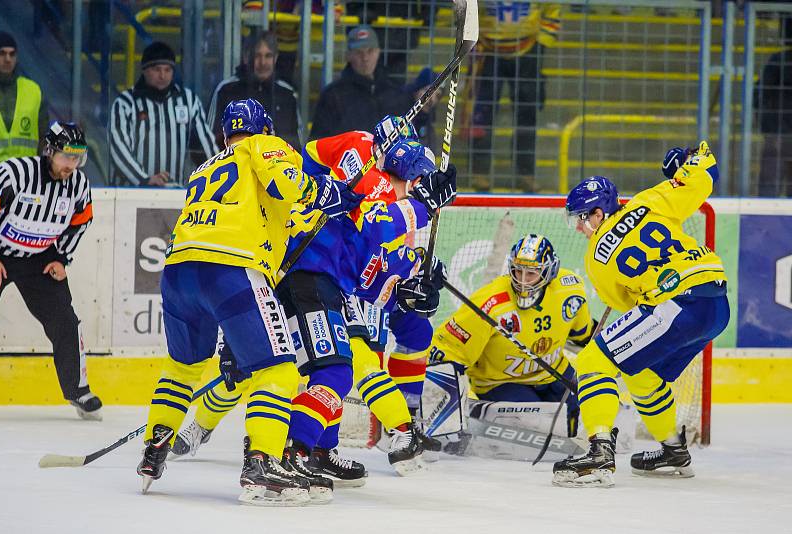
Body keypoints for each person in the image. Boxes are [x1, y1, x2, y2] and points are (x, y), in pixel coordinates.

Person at [169, 133, 457, 482]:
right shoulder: (372, 185)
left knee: (324, 370)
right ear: (412, 180)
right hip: (302, 281)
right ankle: (283, 450)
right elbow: (375, 229)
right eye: (416, 186)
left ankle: (309, 450)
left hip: (315, 284)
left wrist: (407, 289)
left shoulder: (380, 193)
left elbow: (365, 274)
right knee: (316, 371)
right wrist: (422, 208)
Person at [135, 99, 363, 506]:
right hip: (231, 270)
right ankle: (262, 462)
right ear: (264, 127)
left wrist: (319, 208)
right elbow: (286, 184)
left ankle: (155, 449)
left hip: (178, 271)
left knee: (182, 367)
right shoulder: (264, 146)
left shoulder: (205, 167)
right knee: (276, 370)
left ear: (223, 133)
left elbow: (276, 210)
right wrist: (327, 191)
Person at [553, 142, 729, 488]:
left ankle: (599, 451)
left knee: (593, 361)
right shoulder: (649, 202)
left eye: (581, 219)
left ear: (598, 214)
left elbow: (624, 303)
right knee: (640, 372)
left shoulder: (595, 259)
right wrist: (686, 162)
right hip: (715, 302)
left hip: (676, 303)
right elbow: (707, 173)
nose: (578, 228)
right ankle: (673, 451)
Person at [426, 234, 594, 436]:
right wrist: (431, 398)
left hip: (552, 372)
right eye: (517, 271)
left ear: (549, 272)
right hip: (499, 382)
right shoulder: (490, 302)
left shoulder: (570, 291)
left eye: (531, 273)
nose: (522, 281)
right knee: (538, 426)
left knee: (591, 401)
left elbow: (584, 335)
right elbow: (448, 350)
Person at [0, 122, 99, 419]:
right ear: (49, 151)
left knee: (65, 321)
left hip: (40, 260)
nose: (71, 164)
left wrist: (61, 258)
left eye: (77, 158)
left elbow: (82, 220)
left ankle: (78, 391)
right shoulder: (14, 173)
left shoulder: (78, 184)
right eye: (66, 156)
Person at [468, 2, 561, 191]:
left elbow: (552, 8)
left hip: (527, 50)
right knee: (481, 113)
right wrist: (472, 38)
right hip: (487, 50)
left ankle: (525, 174)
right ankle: (480, 173)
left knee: (527, 114)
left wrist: (541, 43)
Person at [109, 41, 217, 187]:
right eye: (157, 69)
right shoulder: (125, 103)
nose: (162, 75)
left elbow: (206, 145)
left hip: (173, 195)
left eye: (168, 70)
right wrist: (144, 179)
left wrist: (221, 173)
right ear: (145, 70)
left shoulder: (188, 101)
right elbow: (118, 149)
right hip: (130, 194)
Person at [309, 25, 411, 139]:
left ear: (378, 52)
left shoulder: (395, 92)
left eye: (370, 51)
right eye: (359, 52)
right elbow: (319, 145)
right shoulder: (333, 96)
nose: (365, 58)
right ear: (348, 56)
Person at [208, 30, 302, 151]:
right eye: (257, 56)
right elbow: (210, 141)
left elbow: (297, 144)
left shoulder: (288, 94)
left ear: (276, 57)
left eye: (268, 56)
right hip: (235, 167)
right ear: (246, 57)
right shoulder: (226, 90)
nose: (263, 62)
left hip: (277, 168)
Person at [0, 31, 49, 166]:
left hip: (26, 180)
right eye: (1, 53)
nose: (8, 59)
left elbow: (44, 139)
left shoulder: (33, 91)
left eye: (12, 54)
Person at [755, 32, 792, 197]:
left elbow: (759, 94)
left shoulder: (779, 59)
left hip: (778, 132)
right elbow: (760, 94)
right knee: (769, 186)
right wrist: (770, 129)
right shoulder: (779, 60)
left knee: (769, 185)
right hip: (779, 133)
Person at [404, 67, 443, 151]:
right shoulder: (400, 114)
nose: (432, 99)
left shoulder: (428, 124)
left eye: (437, 95)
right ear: (417, 90)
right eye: (428, 91)